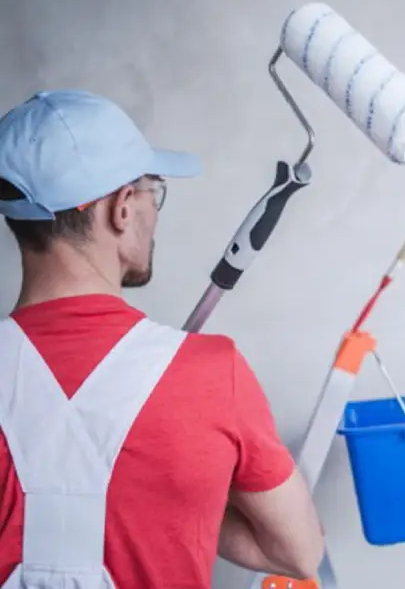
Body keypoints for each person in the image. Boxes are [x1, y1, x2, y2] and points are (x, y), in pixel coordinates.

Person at [0, 90, 324, 588]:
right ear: (122, 209)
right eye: (152, 188)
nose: (156, 209)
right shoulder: (212, 375)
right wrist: (182, 498)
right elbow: (299, 553)